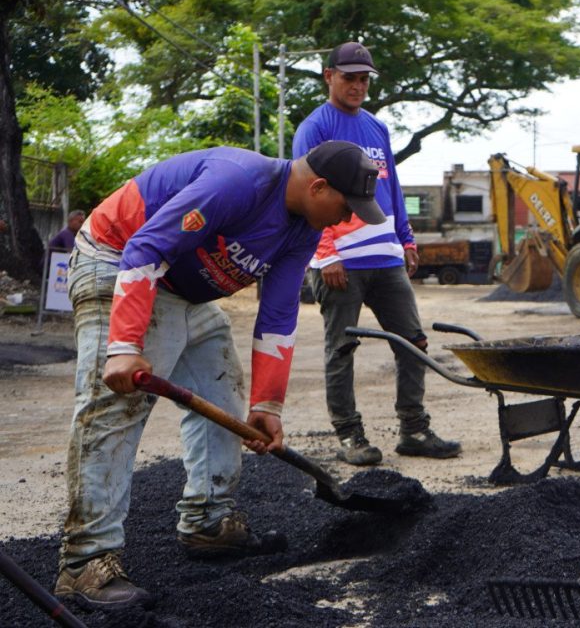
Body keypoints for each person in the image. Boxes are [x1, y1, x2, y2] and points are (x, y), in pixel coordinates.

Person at [54, 142, 385, 610]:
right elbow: (145, 247)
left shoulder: (302, 228)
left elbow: (277, 316)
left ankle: (208, 522)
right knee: (115, 407)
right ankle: (84, 564)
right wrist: (125, 346)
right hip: (117, 259)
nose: (344, 219)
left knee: (224, 396)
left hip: (183, 290)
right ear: (318, 186)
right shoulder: (237, 180)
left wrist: (268, 405)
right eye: (345, 207)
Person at [292, 40, 461, 466]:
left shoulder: (376, 128)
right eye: (349, 77)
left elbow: (392, 189)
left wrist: (405, 237)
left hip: (385, 256)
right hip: (340, 261)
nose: (357, 85)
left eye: (364, 79)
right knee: (342, 349)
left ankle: (414, 428)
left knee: (414, 341)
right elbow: (304, 194)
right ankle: (350, 436)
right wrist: (325, 253)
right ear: (329, 76)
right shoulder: (314, 127)